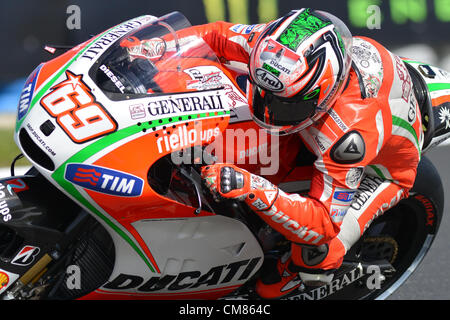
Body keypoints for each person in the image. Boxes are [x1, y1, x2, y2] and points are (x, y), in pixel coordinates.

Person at [194, 8, 424, 299]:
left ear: (324, 93)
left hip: (382, 169)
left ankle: (307, 275)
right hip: (314, 126)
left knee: (311, 257)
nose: (268, 111)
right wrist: (151, 50)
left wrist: (251, 188)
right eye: (263, 92)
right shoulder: (273, 48)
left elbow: (322, 224)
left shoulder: (350, 133)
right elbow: (212, 35)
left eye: (286, 105)